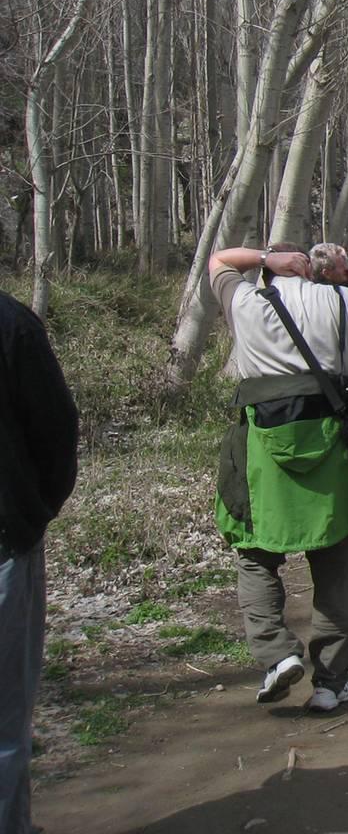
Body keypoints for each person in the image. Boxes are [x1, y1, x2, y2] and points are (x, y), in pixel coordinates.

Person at [209, 242, 348, 714]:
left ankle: (276, 655)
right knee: (336, 557)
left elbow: (217, 260)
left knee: (255, 553)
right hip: (333, 443)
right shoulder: (342, 301)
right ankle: (332, 682)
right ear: (311, 271)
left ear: (271, 270)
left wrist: (261, 258)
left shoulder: (244, 301)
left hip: (262, 451)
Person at [0, 290, 78, 834]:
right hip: (5, 540)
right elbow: (56, 431)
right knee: (3, 720)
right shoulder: (10, 324)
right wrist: (31, 512)